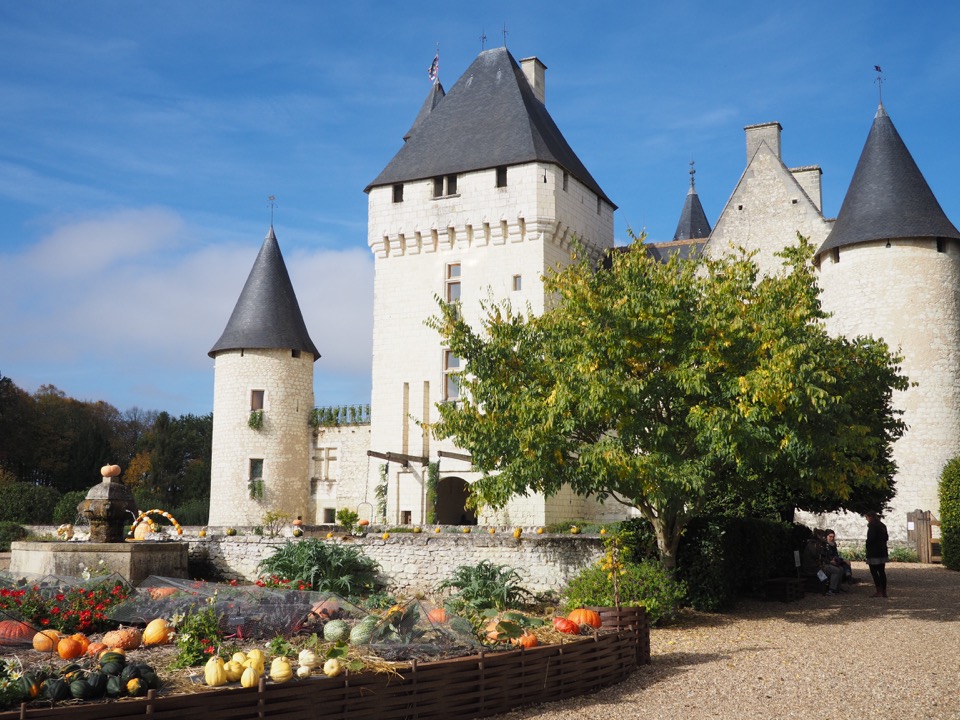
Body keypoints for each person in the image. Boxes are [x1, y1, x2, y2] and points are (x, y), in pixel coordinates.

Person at [864, 512, 889, 598]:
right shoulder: (882, 525)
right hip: (882, 551)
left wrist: (867, 544)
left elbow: (871, 538)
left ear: (870, 517)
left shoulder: (872, 526)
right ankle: (884, 591)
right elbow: (886, 538)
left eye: (866, 517)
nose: (866, 519)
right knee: (881, 571)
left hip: (874, 552)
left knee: (874, 571)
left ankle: (879, 591)